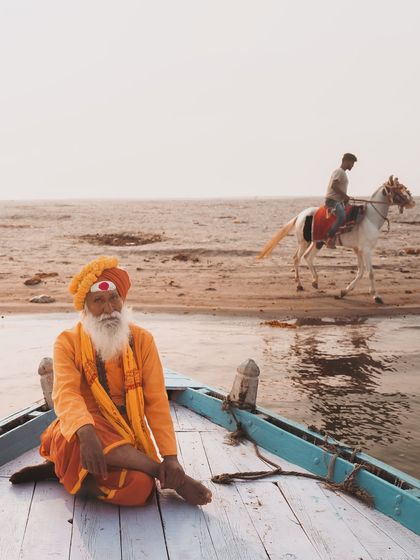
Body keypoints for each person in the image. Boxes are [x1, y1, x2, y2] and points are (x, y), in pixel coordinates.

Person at [10, 256, 212, 507]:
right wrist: (86, 433)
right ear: (86, 308)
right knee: (90, 428)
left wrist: (171, 457)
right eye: (98, 301)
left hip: (126, 436)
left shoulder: (142, 340)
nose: (108, 308)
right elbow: (66, 394)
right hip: (79, 434)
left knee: (141, 490)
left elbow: (156, 401)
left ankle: (67, 475)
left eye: (113, 298)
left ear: (123, 299)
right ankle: (166, 476)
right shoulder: (68, 341)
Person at [324, 153, 357, 248]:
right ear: (346, 161)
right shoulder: (339, 171)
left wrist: (345, 198)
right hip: (332, 201)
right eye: (352, 163)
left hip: (338, 201)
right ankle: (329, 237)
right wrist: (345, 196)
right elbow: (334, 186)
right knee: (342, 216)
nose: (352, 166)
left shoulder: (343, 173)